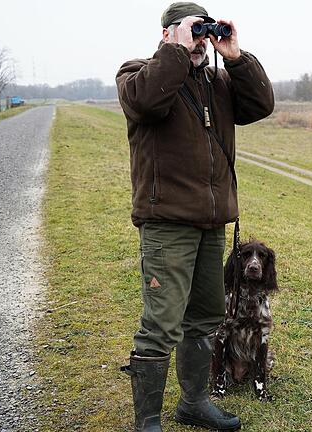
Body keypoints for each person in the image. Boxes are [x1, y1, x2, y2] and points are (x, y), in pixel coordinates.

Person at [115, 2, 274, 431]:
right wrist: (177, 52)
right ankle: (147, 420)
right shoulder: (138, 74)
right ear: (168, 34)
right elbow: (148, 101)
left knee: (204, 316)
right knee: (161, 323)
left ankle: (194, 402)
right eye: (192, 32)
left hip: (211, 224)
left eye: (204, 34)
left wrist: (236, 56)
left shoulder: (217, 83)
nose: (201, 41)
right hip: (167, 223)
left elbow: (261, 104)